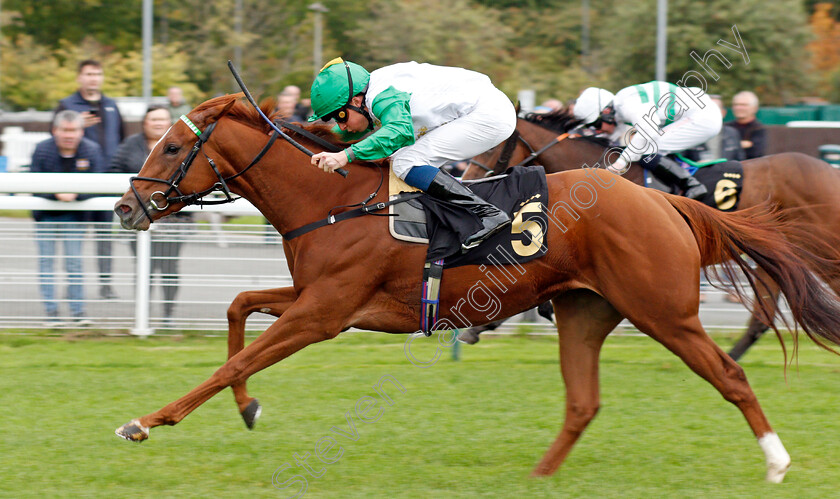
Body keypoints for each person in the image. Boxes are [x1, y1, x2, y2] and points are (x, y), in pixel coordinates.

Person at [308, 58, 515, 251]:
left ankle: (488, 214)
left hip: (488, 115)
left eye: (340, 116)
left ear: (355, 101)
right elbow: (360, 130)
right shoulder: (372, 90)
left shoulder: (382, 96)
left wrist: (346, 156)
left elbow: (399, 131)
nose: (341, 126)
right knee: (401, 158)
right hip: (480, 108)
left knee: (405, 161)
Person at [573, 81, 723, 200]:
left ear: (606, 112)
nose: (597, 130)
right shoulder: (619, 104)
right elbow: (613, 137)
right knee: (643, 147)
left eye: (596, 125)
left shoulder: (628, 105)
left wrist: (621, 162)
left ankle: (692, 185)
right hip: (695, 112)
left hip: (702, 117)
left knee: (647, 146)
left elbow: (648, 130)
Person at [109, 106, 190, 320]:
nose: (157, 123)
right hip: (139, 217)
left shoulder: (182, 145)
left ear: (170, 123)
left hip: (173, 219)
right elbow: (114, 170)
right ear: (144, 123)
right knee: (144, 267)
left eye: (162, 119)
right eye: (153, 119)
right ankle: (142, 315)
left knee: (169, 266)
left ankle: (167, 316)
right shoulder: (130, 145)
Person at [56, 59, 126, 300]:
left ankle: (105, 285)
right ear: (79, 78)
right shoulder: (67, 105)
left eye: (97, 74)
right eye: (88, 74)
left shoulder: (111, 105)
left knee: (105, 238)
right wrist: (77, 125)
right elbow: (55, 139)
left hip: (106, 186)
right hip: (77, 185)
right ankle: (73, 287)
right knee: (75, 239)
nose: (93, 78)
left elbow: (121, 140)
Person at [30, 110, 106, 326]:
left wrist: (76, 195)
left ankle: (78, 313)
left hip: (76, 216)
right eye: (64, 130)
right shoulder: (42, 149)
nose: (69, 135)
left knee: (74, 264)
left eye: (73, 130)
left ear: (81, 132)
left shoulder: (91, 150)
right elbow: (33, 182)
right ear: (55, 130)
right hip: (45, 216)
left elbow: (99, 182)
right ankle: (51, 314)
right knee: (46, 263)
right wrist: (56, 194)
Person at [699, 95, 745, 162]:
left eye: (715, 109)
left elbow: (740, 161)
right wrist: (695, 165)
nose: (711, 112)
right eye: (707, 109)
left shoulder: (732, 133)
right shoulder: (691, 134)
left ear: (723, 113)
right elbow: (680, 164)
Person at [726, 91, 767, 159]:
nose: (738, 108)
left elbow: (756, 153)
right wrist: (742, 144)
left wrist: (733, 145)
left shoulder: (759, 129)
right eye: (736, 104)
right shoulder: (726, 127)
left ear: (755, 108)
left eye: (743, 105)